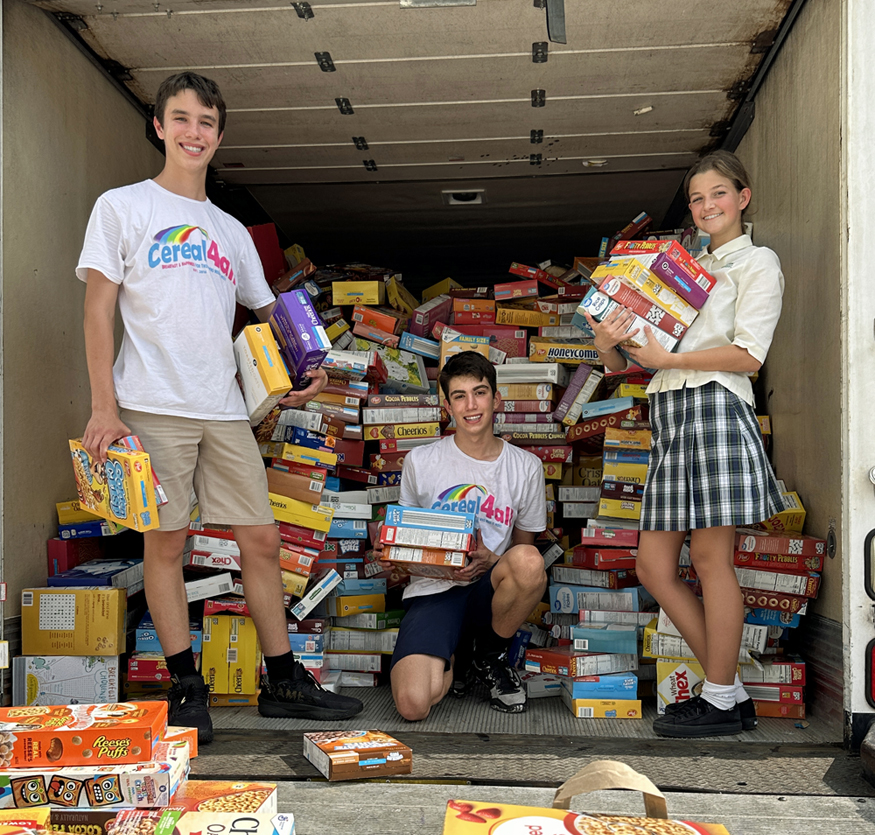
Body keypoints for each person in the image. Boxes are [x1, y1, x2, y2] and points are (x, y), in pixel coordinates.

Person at [76, 71, 363, 745]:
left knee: (261, 538)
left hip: (226, 407)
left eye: (205, 122)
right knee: (166, 542)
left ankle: (285, 679)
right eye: (180, 118)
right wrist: (103, 406)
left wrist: (309, 367)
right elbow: (96, 309)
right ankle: (185, 685)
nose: (192, 132)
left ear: (218, 135)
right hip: (150, 403)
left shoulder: (229, 229)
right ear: (158, 126)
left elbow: (270, 313)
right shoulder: (122, 208)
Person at [584, 150, 786, 738]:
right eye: (697, 199)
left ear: (743, 197)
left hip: (717, 408)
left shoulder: (758, 263)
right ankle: (732, 691)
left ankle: (720, 697)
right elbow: (626, 367)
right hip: (671, 411)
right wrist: (606, 340)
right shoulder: (681, 271)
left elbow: (750, 356)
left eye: (718, 194)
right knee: (653, 566)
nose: (706, 207)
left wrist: (670, 358)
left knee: (708, 560)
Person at [388, 351, 548, 720]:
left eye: (480, 392)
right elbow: (403, 544)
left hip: (487, 589)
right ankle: (456, 658)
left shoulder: (526, 467)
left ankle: (490, 654)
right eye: (459, 396)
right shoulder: (421, 461)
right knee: (413, 706)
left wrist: (489, 560)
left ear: (497, 399)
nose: (471, 405)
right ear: (447, 405)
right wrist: (438, 565)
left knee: (528, 562)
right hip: (434, 590)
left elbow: (524, 552)